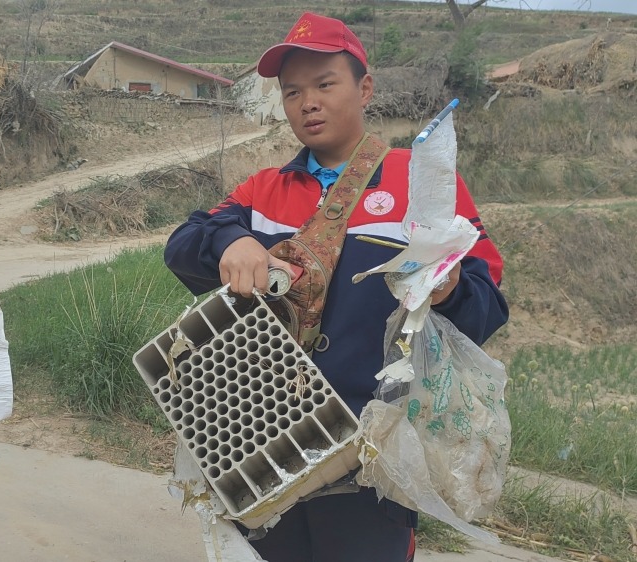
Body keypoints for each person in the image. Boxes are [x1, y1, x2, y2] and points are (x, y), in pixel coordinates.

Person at [164, 12, 508, 562]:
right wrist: (230, 241)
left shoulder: (418, 185)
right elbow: (184, 241)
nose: (308, 103)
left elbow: (487, 305)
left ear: (364, 88)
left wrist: (447, 291)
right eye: (293, 91)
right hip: (262, 444)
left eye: (325, 84)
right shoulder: (264, 192)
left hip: (369, 464)